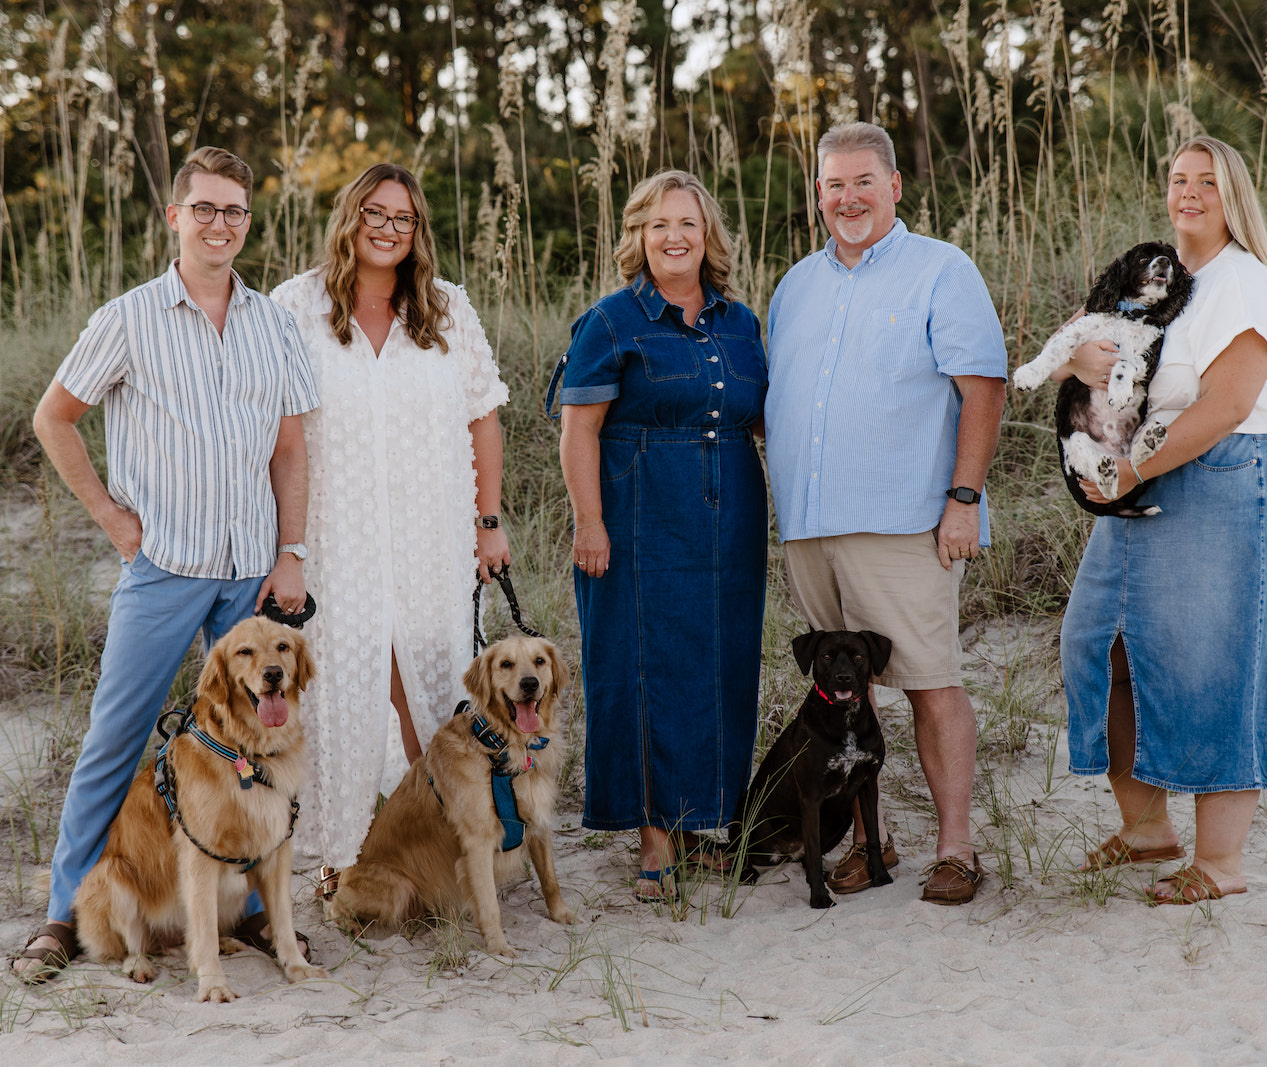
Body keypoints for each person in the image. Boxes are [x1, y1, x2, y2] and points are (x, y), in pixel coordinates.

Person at [14, 147, 320, 980]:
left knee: (257, 741)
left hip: (250, 573)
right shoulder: (129, 316)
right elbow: (55, 418)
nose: (221, 224)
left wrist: (291, 552)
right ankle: (59, 912)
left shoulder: (272, 323)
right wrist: (113, 518)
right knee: (114, 739)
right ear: (176, 217)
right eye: (207, 208)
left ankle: (253, 911)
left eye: (236, 212)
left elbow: (290, 448)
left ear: (247, 224)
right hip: (165, 568)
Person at [764, 121, 1007, 906]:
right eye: (833, 184)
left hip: (904, 518)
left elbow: (983, 386)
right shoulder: (795, 285)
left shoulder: (942, 269)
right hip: (810, 525)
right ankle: (871, 846)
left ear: (895, 186)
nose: (848, 197)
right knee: (846, 689)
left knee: (930, 681)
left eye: (863, 180)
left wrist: (963, 499)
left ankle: (957, 849)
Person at [1057, 136, 1267, 904]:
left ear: (1235, 196)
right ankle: (1145, 830)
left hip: (1229, 477)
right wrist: (1078, 360)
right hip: (1142, 477)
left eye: (1206, 181)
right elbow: (1086, 350)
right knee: (1100, 644)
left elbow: (1227, 405)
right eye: (1177, 179)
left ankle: (1222, 864)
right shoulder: (1164, 279)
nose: (1188, 192)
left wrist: (1127, 469)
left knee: (1217, 666)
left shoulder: (1244, 282)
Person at [270, 163, 510, 878]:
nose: (387, 229)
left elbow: (484, 414)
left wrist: (487, 519)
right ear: (351, 216)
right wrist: (285, 542)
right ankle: (336, 857)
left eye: (403, 218)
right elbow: (275, 430)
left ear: (417, 231)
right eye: (374, 213)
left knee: (433, 687)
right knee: (336, 690)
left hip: (429, 529)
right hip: (334, 535)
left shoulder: (446, 308)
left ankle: (455, 849)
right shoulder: (296, 307)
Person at [549, 169, 767, 901]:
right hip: (637, 516)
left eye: (688, 225)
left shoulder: (740, 322)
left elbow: (764, 417)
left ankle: (704, 823)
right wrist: (589, 521)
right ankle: (654, 844)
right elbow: (579, 430)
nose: (675, 238)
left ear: (709, 238)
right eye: (659, 225)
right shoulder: (611, 321)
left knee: (720, 665)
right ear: (638, 237)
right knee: (643, 668)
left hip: (730, 514)